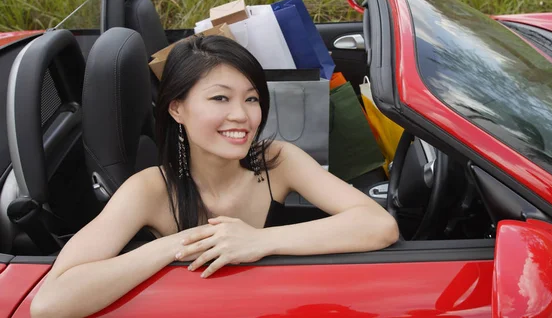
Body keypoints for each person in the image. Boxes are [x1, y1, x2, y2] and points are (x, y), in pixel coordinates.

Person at [30, 35, 399, 318]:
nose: (241, 115)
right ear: (177, 108)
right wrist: (176, 246)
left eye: (251, 99)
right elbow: (50, 302)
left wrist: (258, 241)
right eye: (220, 99)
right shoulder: (149, 189)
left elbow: (379, 225)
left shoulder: (277, 160)